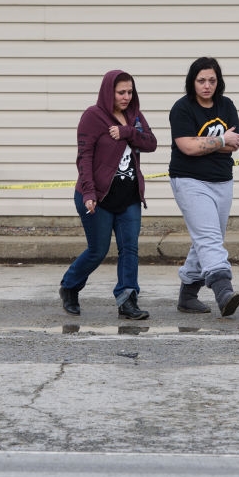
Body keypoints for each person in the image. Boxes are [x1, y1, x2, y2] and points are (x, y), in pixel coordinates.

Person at [59, 70, 157, 320]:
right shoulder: (93, 117)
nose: (126, 97)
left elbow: (150, 143)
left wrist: (127, 132)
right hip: (98, 197)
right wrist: (89, 193)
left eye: (130, 92)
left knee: (129, 248)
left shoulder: (133, 116)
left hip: (129, 198)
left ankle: (127, 300)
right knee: (98, 250)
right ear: (108, 92)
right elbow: (85, 158)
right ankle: (69, 286)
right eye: (121, 92)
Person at [169, 57, 239, 317]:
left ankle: (188, 295)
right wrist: (220, 140)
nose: (207, 85)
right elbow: (187, 147)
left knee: (207, 238)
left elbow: (234, 143)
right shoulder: (182, 109)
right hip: (190, 181)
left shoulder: (227, 105)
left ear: (218, 81)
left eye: (212, 80)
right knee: (209, 238)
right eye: (201, 80)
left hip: (223, 181)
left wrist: (213, 142)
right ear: (192, 82)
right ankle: (223, 290)